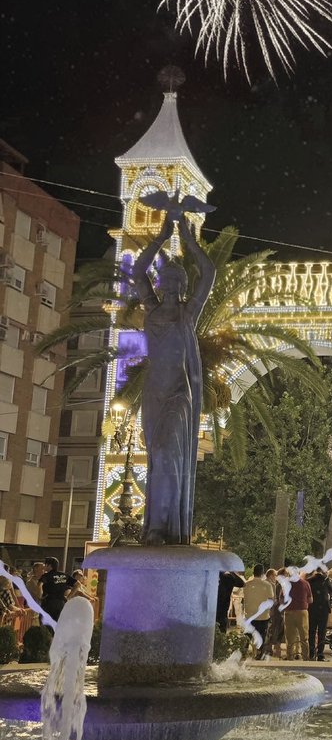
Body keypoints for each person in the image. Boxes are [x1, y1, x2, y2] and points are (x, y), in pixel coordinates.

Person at [130, 203, 214, 546]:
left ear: (182, 286)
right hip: (154, 393)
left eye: (178, 281)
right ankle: (156, 526)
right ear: (161, 282)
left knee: (167, 454)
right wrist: (161, 238)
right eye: (167, 279)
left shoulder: (187, 313)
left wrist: (189, 242)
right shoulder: (150, 308)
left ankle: (162, 528)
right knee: (155, 459)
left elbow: (208, 274)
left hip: (179, 394)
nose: (171, 285)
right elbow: (137, 272)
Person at [241, 564, 273, 653]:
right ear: (262, 573)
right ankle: (259, 652)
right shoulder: (267, 585)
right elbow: (271, 600)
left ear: (253, 572)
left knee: (248, 635)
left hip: (249, 614)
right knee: (261, 635)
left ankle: (243, 651)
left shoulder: (246, 585)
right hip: (263, 615)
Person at [283, 568, 312, 661]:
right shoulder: (305, 583)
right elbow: (311, 599)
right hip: (302, 612)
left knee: (290, 638)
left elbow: (281, 599)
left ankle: (290, 658)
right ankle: (305, 658)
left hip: (289, 612)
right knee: (304, 637)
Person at [308, 568, 332, 661]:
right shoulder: (325, 580)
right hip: (323, 609)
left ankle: (311, 652)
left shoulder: (309, 580)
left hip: (312, 608)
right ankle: (320, 653)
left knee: (311, 631)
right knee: (322, 632)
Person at [39, 557, 73, 622]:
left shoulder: (46, 576)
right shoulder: (64, 575)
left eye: (45, 564)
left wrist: (40, 596)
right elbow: (77, 585)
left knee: (46, 625)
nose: (44, 566)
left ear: (49, 565)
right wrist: (68, 597)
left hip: (49, 603)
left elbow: (39, 584)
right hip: (61, 603)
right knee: (58, 624)